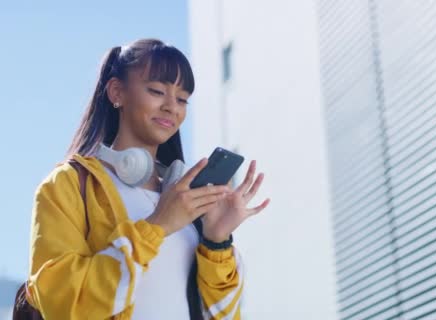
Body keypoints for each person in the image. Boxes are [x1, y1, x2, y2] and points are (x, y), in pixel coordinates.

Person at [25, 38, 270, 320]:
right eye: (157, 91)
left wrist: (216, 241)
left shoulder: (185, 199)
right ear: (117, 92)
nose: (171, 107)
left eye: (182, 99)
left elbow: (224, 315)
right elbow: (63, 303)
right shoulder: (68, 185)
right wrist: (158, 225)